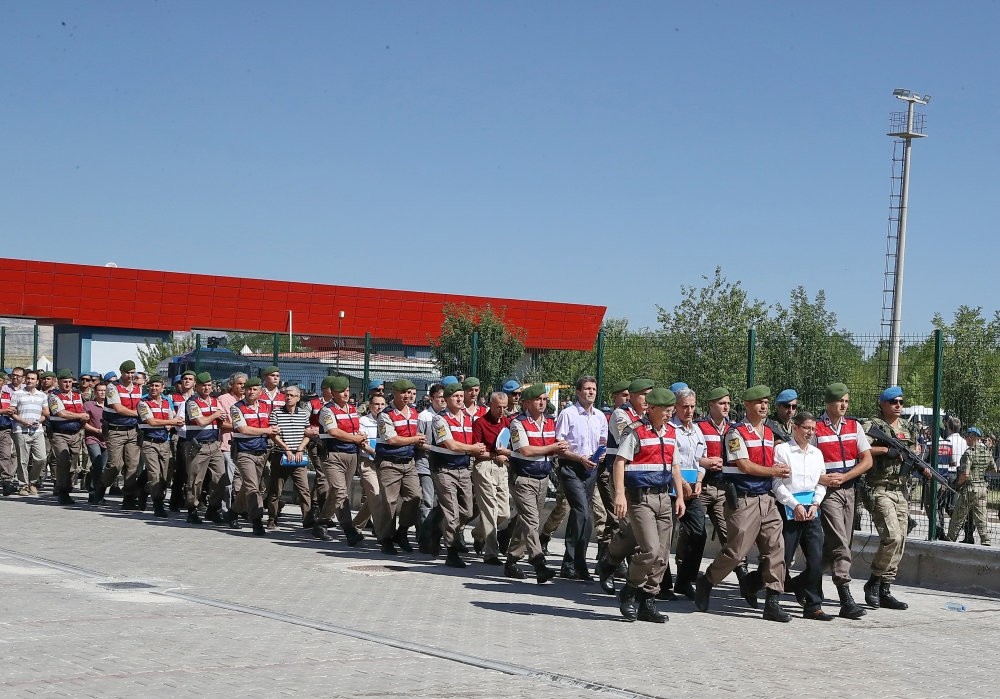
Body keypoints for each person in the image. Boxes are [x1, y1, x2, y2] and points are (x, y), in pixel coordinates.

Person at [695, 385, 792, 623]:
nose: (764, 406)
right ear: (747, 405)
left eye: (767, 402)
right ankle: (707, 580)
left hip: (767, 499)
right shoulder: (735, 433)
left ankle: (772, 601)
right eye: (759, 402)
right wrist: (774, 471)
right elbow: (744, 465)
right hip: (743, 500)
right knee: (736, 552)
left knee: (775, 548)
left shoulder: (770, 433)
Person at [611, 387, 685, 623]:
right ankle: (630, 590)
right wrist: (620, 495)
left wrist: (680, 496)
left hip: (665, 497)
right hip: (640, 498)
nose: (669, 413)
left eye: (671, 409)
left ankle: (648, 601)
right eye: (665, 409)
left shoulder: (672, 432)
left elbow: (675, 467)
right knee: (650, 550)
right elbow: (619, 463)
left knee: (662, 556)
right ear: (651, 408)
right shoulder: (636, 432)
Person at [862, 386, 927, 610]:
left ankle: (885, 587)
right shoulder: (872, 426)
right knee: (892, 537)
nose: (898, 405)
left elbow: (914, 453)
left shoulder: (908, 427)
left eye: (900, 401)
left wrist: (920, 466)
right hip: (879, 488)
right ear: (882, 404)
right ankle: (873, 582)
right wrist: (884, 451)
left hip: (901, 490)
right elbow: (859, 450)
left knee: (901, 539)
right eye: (893, 402)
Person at [813, 382, 871, 620]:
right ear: (829, 403)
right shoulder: (816, 429)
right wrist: (823, 479)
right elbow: (805, 463)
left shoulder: (854, 426)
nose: (844, 405)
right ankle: (845, 596)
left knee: (839, 544)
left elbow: (866, 460)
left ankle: (802, 583)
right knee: (840, 543)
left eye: (846, 400)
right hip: (828, 493)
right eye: (840, 401)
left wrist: (846, 477)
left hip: (849, 489)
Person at [505, 383, 568, 583]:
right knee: (532, 520)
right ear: (526, 403)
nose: (542, 403)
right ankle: (539, 563)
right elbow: (526, 450)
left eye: (544, 399)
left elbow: (559, 443)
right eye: (537, 400)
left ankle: (512, 559)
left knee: (527, 521)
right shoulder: (518, 423)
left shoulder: (551, 421)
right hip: (523, 478)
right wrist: (553, 447)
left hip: (543, 478)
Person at [595, 378, 653, 594]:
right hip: (622, 477)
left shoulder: (648, 417)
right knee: (629, 526)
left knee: (638, 530)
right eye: (644, 395)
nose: (648, 400)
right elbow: (629, 443)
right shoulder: (621, 414)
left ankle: (615, 566)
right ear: (633, 396)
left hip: (643, 480)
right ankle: (611, 563)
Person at [774, 410, 831, 621]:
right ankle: (757, 586)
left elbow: (821, 482)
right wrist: (795, 504)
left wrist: (816, 503)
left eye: (813, 429)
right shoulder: (782, 450)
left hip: (812, 511)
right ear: (795, 428)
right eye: (806, 428)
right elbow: (777, 484)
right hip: (790, 510)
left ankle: (813, 605)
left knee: (816, 560)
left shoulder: (817, 453)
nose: (810, 433)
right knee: (784, 559)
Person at [552, 375, 608, 580]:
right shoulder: (568, 414)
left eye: (593, 388)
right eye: (586, 389)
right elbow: (560, 446)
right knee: (582, 512)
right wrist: (579, 458)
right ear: (578, 392)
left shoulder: (600, 416)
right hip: (571, 467)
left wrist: (600, 454)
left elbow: (602, 442)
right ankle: (576, 563)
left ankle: (572, 562)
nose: (591, 392)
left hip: (590, 469)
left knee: (584, 516)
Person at [427, 382, 485, 567]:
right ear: (446, 399)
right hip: (444, 469)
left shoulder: (469, 418)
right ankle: (451, 552)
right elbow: (450, 444)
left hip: (463, 468)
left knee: (467, 510)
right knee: (452, 513)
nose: (460, 399)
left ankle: (437, 527)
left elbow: (475, 441)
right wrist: (472, 448)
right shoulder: (439, 419)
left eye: (461, 396)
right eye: (455, 397)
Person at [314, 375, 368, 545]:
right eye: (341, 391)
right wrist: (355, 439)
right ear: (333, 393)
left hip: (351, 454)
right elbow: (334, 432)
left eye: (346, 390)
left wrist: (360, 436)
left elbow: (355, 430)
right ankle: (349, 530)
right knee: (340, 490)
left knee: (337, 493)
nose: (345, 394)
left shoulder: (352, 409)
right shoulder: (327, 410)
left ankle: (321, 522)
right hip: (333, 455)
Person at [375, 379, 426, 554]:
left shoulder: (414, 413)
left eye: (409, 392)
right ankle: (386, 539)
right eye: (403, 392)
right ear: (395, 393)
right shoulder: (386, 415)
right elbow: (391, 439)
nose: (407, 396)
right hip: (390, 463)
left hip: (409, 463)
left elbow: (419, 436)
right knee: (389, 503)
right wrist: (415, 440)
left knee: (415, 497)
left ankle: (402, 531)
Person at [669, 388, 708, 600]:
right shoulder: (670, 429)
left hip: (692, 490)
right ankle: (663, 584)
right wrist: (682, 483)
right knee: (665, 537)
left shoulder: (696, 430)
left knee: (699, 533)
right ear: (676, 406)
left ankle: (685, 580)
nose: (689, 410)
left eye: (692, 406)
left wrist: (700, 480)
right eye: (685, 406)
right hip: (671, 489)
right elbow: (669, 461)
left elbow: (701, 458)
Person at [182, 372, 230, 525]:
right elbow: (201, 421)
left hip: (214, 444)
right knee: (195, 480)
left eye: (209, 385)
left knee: (220, 478)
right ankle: (192, 510)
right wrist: (215, 414)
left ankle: (213, 508)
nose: (207, 388)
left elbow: (223, 421)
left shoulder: (216, 401)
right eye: (204, 385)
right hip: (198, 446)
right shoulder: (192, 402)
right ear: (197, 386)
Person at [471, 391, 512, 565]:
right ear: (490, 405)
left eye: (504, 407)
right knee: (489, 510)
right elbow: (476, 450)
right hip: (484, 467)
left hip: (502, 468)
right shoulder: (480, 423)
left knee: (504, 513)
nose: (502, 410)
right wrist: (495, 456)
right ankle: (491, 553)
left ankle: (478, 534)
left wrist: (506, 456)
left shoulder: (507, 423)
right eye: (498, 407)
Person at [266, 383, 313, 529]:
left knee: (304, 490)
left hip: (298, 457)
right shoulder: (276, 413)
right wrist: (286, 448)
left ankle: (308, 520)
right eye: (286, 395)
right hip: (281, 456)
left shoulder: (304, 414)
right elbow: (273, 435)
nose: (288, 398)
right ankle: (272, 518)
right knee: (275, 490)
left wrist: (300, 449)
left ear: (298, 398)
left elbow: (308, 433)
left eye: (292, 395)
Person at [136, 375, 183, 517]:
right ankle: (158, 504)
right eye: (151, 385)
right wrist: (171, 422)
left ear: (162, 387)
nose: (154, 388)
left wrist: (173, 422)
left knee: (165, 477)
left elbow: (172, 418)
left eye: (157, 386)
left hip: (164, 442)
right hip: (149, 442)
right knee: (155, 474)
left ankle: (143, 489)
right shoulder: (143, 403)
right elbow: (150, 421)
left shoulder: (167, 402)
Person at [100, 360, 144, 510]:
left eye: (133, 373)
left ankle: (128, 497)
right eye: (128, 373)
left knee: (132, 465)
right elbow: (118, 408)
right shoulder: (113, 387)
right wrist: (141, 415)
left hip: (133, 430)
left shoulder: (138, 388)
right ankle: (100, 488)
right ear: (121, 372)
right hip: (115, 430)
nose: (131, 376)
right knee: (115, 465)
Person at [46, 369, 89, 504]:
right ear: (58, 382)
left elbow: (82, 410)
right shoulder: (54, 396)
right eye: (65, 382)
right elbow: (61, 413)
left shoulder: (77, 395)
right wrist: (80, 416)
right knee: (63, 461)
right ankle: (62, 490)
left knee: (73, 464)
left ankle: (67, 486)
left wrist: (83, 419)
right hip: (60, 433)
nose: (68, 384)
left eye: (70, 382)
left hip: (76, 433)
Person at [947, 427, 994, 546]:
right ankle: (986, 539)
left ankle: (950, 539)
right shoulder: (987, 452)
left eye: (967, 436)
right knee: (981, 517)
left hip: (970, 489)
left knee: (958, 515)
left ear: (971, 437)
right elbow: (994, 468)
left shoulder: (969, 453)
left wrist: (957, 485)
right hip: (982, 488)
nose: (966, 439)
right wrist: (980, 470)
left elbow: (965, 474)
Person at [415, 383, 444, 551]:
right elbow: (419, 443)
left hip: (441, 465)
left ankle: (434, 533)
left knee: (440, 503)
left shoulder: (447, 416)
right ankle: (425, 539)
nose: (442, 400)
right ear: (431, 398)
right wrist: (436, 449)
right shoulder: (424, 416)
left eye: (444, 397)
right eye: (439, 397)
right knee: (427, 501)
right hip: (425, 463)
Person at [354, 392, 387, 537]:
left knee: (376, 498)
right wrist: (374, 452)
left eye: (382, 404)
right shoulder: (363, 421)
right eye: (376, 404)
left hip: (384, 464)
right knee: (376, 495)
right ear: (370, 406)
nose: (379, 407)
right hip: (368, 462)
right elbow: (362, 442)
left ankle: (355, 525)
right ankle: (383, 533)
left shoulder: (387, 420)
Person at [11, 369, 48, 495]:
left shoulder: (42, 395)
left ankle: (33, 481)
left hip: (37, 430)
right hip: (21, 430)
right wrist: (22, 421)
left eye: (33, 379)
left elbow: (46, 413)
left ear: (37, 381)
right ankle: (23, 485)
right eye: (28, 378)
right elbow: (12, 412)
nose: (30, 381)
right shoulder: (17, 394)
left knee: (41, 458)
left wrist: (40, 420)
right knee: (23, 460)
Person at [168, 370, 197, 512]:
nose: (187, 381)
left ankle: (192, 498)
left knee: (193, 471)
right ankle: (175, 499)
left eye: (190, 379)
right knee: (180, 470)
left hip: (196, 437)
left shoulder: (197, 398)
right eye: (184, 379)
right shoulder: (174, 398)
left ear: (194, 382)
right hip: (180, 436)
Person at [83, 383, 108, 503]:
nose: (102, 392)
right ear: (95, 392)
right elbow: (84, 423)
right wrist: (96, 430)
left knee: (102, 468)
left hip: (107, 440)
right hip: (92, 438)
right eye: (100, 390)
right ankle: (93, 491)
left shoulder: (111, 405)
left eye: (104, 390)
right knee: (97, 463)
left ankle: (99, 492)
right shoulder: (89, 405)